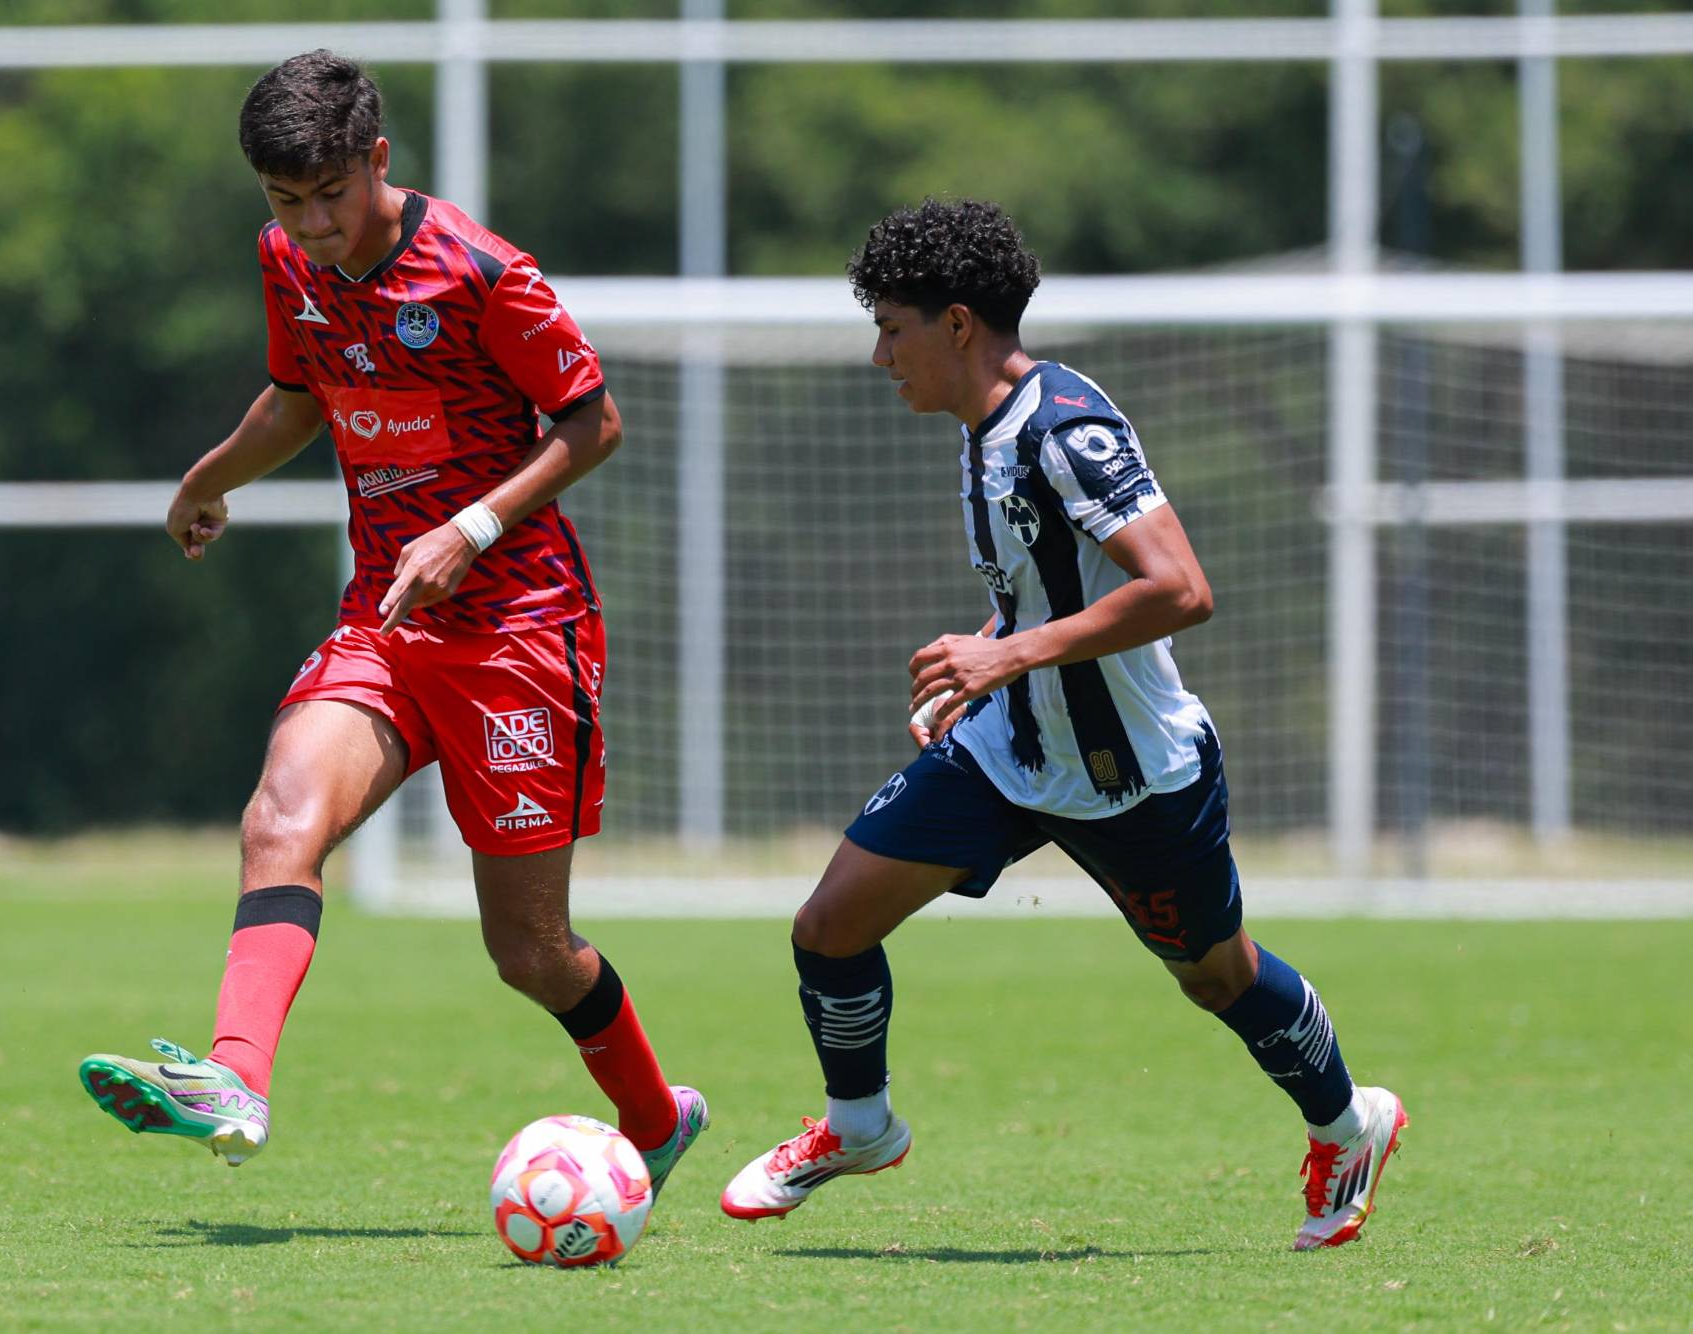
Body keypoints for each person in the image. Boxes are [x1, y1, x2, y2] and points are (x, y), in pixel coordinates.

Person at [718, 198, 1403, 1251]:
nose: (876, 355)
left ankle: (1348, 1121)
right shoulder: (978, 427)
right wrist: (989, 655)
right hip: (1007, 751)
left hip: (1134, 774)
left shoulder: (1064, 428)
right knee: (829, 924)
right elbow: (1046, 592)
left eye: (890, 328)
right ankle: (859, 1125)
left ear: (955, 326)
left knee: (1215, 974)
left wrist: (1008, 652)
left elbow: (1180, 587)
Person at [77, 50, 706, 1193]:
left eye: (329, 193)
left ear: (376, 159)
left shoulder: (479, 272)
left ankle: (658, 1119)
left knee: (528, 952)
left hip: (519, 624)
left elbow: (592, 421)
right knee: (279, 817)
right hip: (383, 618)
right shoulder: (286, 262)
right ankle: (234, 1079)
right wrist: (211, 475)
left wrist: (470, 525)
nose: (311, 223)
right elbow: (298, 394)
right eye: (284, 200)